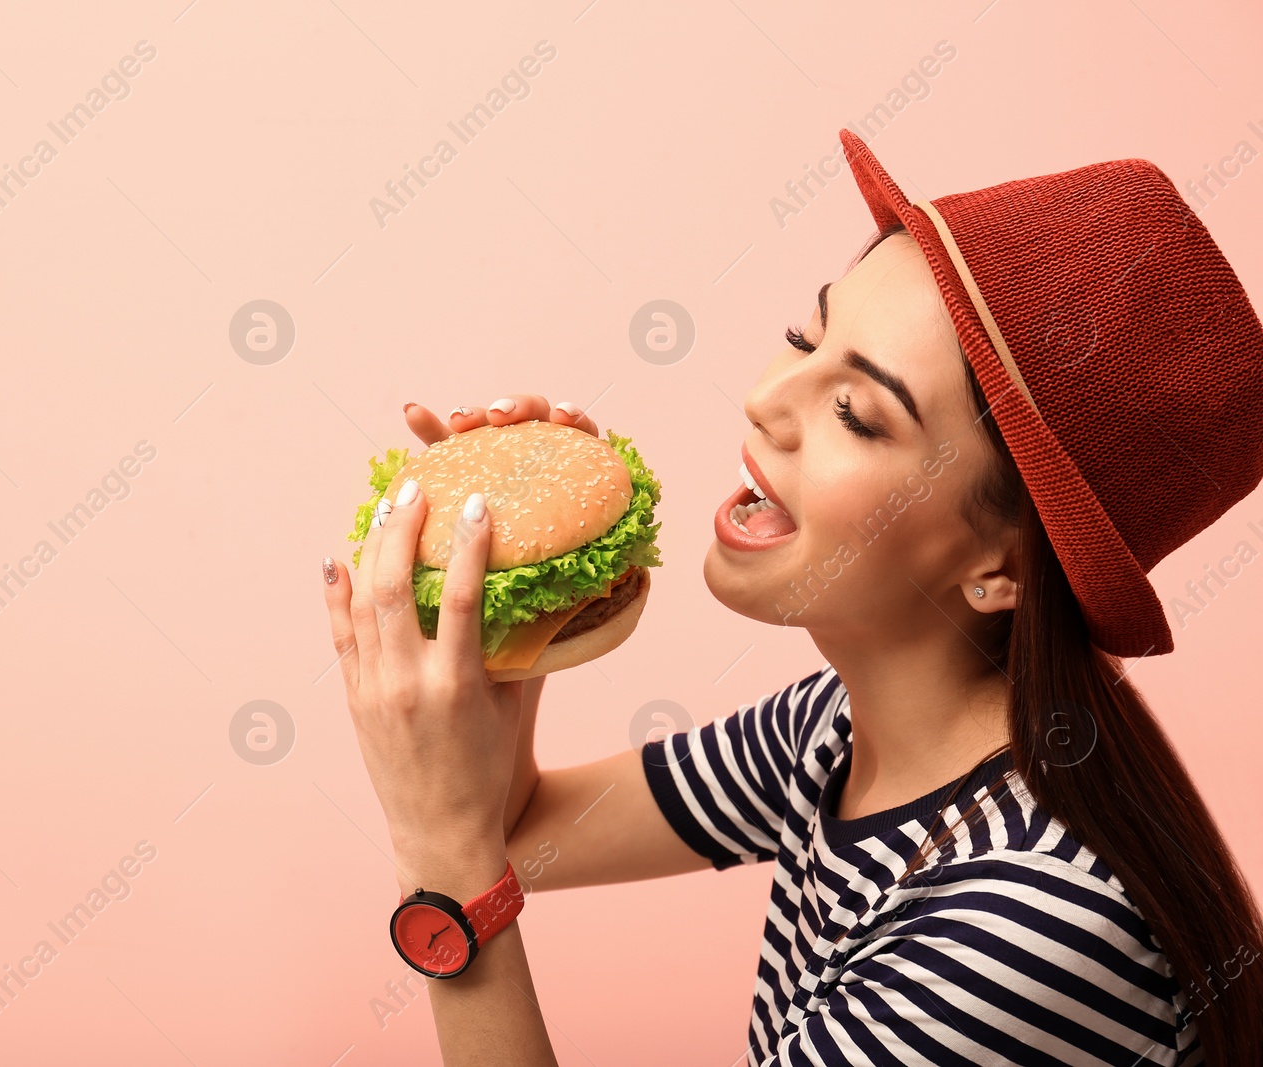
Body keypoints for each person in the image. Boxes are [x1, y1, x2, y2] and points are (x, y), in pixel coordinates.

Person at [320, 128, 1263, 1065]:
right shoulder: (843, 728)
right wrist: (522, 605)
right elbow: (521, 834)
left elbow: (473, 849)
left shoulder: (1028, 931)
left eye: (858, 411)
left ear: (1003, 566)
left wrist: (445, 877)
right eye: (804, 337)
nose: (768, 400)